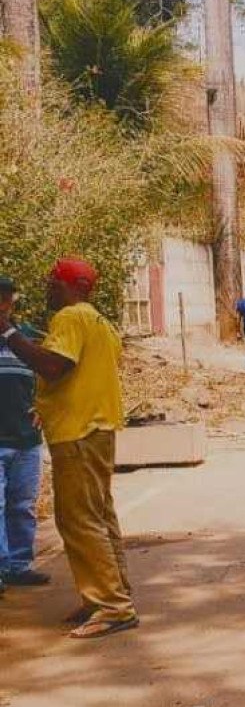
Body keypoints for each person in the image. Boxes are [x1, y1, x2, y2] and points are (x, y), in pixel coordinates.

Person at [0, 258, 136, 638]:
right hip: (97, 430)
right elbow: (76, 377)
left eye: (53, 284)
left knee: (79, 520)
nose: (48, 290)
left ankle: (112, 606)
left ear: (74, 286)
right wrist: (45, 405)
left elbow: (54, 366)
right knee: (99, 516)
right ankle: (110, 594)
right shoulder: (101, 324)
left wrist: (9, 333)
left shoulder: (72, 318)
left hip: (79, 434)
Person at [0, 275, 48, 593]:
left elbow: (51, 374)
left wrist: (45, 407)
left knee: (22, 505)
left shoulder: (27, 337)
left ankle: (19, 565)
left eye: (5, 299)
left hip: (27, 440)